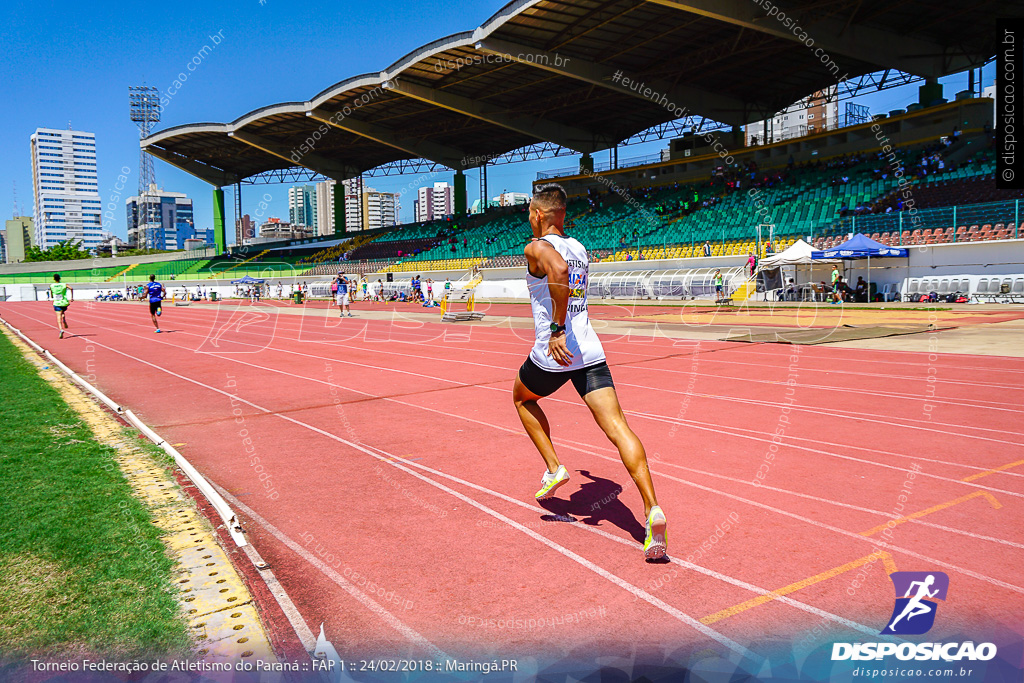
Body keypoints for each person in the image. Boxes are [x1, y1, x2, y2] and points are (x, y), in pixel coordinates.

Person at [511, 183, 666, 560]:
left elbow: (557, 269)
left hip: (557, 351)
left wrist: (556, 328)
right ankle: (652, 510)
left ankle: (553, 467)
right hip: (590, 350)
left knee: (520, 397)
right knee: (619, 429)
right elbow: (567, 268)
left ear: (538, 214)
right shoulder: (580, 247)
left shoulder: (536, 247)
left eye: (529, 213)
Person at [50, 274, 72, 339]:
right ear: (60, 278)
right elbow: (71, 288)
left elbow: (51, 294)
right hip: (64, 303)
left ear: (54, 279)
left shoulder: (52, 285)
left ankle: (61, 329)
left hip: (57, 303)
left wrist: (52, 296)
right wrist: (72, 297)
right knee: (62, 312)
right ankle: (64, 321)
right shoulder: (64, 284)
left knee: (58, 316)